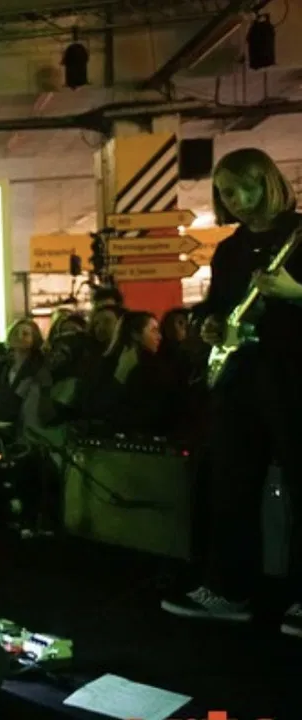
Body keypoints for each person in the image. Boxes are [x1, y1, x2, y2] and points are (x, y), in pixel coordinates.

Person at [160, 148, 302, 638]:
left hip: (293, 377)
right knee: (231, 485)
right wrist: (209, 325)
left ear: (268, 182)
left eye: (243, 187)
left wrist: (296, 293)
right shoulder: (230, 249)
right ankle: (228, 590)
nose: (235, 199)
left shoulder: (298, 235)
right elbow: (217, 304)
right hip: (242, 381)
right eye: (225, 192)